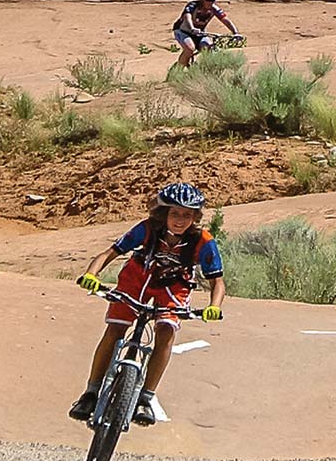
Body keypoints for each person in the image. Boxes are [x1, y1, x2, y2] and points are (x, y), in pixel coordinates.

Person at [69, 182, 225, 424]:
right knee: (116, 328)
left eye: (187, 215)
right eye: (175, 213)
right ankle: (91, 392)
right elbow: (111, 252)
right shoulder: (147, 229)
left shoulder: (203, 241)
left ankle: (145, 398)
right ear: (164, 213)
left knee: (166, 330)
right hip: (137, 278)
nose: (180, 220)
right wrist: (92, 274)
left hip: (174, 286)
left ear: (195, 217)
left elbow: (217, 281)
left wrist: (215, 306)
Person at [173, 0, 239, 68]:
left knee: (208, 48)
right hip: (183, 31)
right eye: (207, 1)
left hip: (200, 33)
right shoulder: (192, 5)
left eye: (213, 1)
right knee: (189, 49)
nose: (210, 3)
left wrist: (235, 32)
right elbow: (187, 17)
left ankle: (204, 69)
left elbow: (225, 19)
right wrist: (191, 28)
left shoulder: (214, 9)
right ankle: (179, 69)